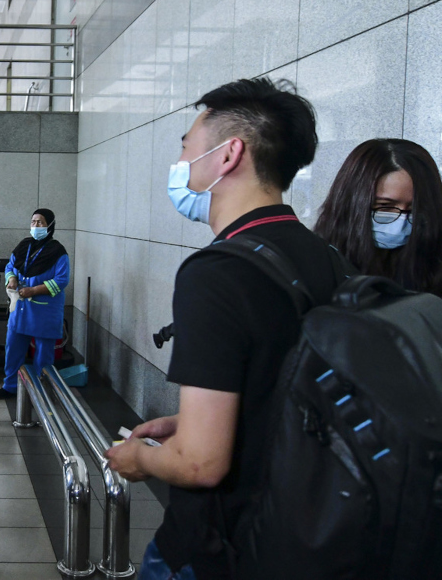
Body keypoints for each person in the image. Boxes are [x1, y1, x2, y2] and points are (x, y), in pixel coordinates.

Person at [105, 78, 341, 579]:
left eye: (188, 146)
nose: (182, 161)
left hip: (216, 546)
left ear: (229, 153)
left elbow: (200, 463)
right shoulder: (326, 258)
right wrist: (190, 422)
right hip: (294, 535)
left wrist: (140, 461)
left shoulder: (218, 272)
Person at [314, 138, 442, 295]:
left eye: (414, 208)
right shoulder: (319, 261)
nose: (401, 223)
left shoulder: (433, 262)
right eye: (385, 206)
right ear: (354, 203)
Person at [0, 208, 70, 400]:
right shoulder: (24, 246)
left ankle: (42, 392)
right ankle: (10, 386)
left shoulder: (58, 252)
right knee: (13, 348)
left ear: (49, 226)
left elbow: (61, 280)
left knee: (43, 355)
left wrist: (34, 290)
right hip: (21, 308)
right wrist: (11, 279)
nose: (35, 226)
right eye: (33, 222)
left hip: (45, 311)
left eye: (40, 222)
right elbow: (11, 266)